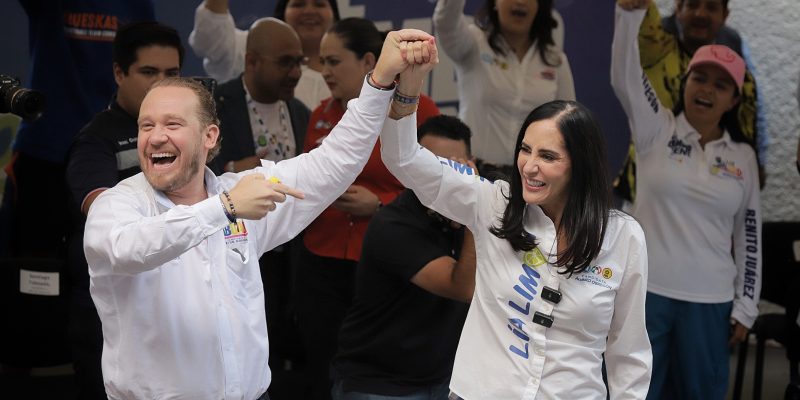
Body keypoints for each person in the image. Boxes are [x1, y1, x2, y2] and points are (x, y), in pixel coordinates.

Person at [82, 29, 437, 400]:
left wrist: (379, 82)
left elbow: (334, 162)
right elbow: (127, 248)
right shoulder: (118, 205)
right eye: (146, 126)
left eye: (172, 125)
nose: (155, 137)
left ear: (209, 136)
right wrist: (224, 209)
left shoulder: (242, 190)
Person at [379, 55, 651, 399]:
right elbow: (403, 159)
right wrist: (408, 89)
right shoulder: (493, 202)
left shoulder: (623, 235)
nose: (530, 166)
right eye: (525, 150)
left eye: (548, 157)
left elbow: (628, 353)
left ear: (581, 166)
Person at [611, 1, 761, 398]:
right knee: (637, 393)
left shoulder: (743, 157)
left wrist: (747, 304)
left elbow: (750, 236)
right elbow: (626, 78)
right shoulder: (655, 129)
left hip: (710, 304)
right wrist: (627, 17)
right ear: (685, 83)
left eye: (721, 84)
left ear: (733, 99)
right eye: (701, 78)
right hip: (648, 295)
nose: (708, 90)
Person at [295, 17, 441, 400]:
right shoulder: (320, 113)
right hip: (320, 256)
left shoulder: (418, 109)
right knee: (320, 360)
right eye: (321, 62)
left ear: (368, 61)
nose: (323, 71)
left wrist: (381, 205)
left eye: (333, 61)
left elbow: (436, 188)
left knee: (372, 367)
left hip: (383, 260)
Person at [64, 21, 183, 399]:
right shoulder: (95, 139)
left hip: (173, 301)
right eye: (149, 72)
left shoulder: (190, 132)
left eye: (172, 73)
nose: (162, 84)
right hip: (113, 309)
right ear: (119, 72)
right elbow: (108, 221)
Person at [331, 115, 475, 400]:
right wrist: (474, 211)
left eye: (454, 166)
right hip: (381, 386)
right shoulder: (394, 225)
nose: (445, 177)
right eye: (433, 166)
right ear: (412, 168)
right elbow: (462, 287)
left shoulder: (464, 215)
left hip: (444, 379)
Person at [0, 0, 155, 258]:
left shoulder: (137, 5)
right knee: (33, 269)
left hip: (110, 152)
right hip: (45, 151)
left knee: (109, 256)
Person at [208, 17, 310, 388]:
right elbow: (190, 173)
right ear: (252, 61)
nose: (296, 71)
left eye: (299, 61)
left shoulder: (300, 111)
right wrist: (233, 168)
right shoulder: (213, 104)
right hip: (238, 252)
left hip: (293, 255)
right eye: (285, 62)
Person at [613, 0, 765, 207]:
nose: (700, 14)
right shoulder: (657, 48)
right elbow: (637, 10)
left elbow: (748, 137)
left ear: (725, 15)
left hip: (711, 200)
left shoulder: (742, 78)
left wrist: (753, 174)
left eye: (711, 7)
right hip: (647, 192)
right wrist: (631, 10)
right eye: (692, 5)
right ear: (677, 8)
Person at [433, 0, 575, 177]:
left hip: (531, 178)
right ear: (494, 3)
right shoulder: (474, 43)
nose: (520, 2)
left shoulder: (555, 60)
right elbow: (445, 23)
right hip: (476, 174)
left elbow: (568, 127)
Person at [189, 0, 339, 109]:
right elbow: (211, 41)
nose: (309, 11)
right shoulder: (253, 47)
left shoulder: (353, 67)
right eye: (298, 4)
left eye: (319, 4)